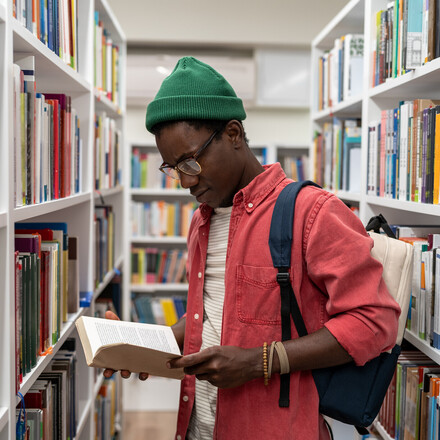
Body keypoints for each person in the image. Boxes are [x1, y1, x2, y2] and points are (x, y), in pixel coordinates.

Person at [104, 56, 400, 440]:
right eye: (172, 169)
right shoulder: (202, 221)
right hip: (198, 424)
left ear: (233, 134)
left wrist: (262, 361)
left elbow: (374, 321)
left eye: (189, 163)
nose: (182, 182)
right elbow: (209, 320)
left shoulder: (312, 213)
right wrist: (142, 344)